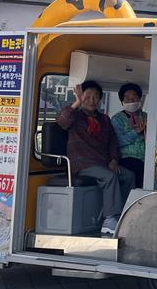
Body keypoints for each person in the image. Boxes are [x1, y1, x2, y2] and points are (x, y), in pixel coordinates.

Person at [56, 80, 134, 236]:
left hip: (102, 162)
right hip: (82, 163)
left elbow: (112, 141)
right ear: (81, 97)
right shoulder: (75, 116)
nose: (92, 100)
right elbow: (62, 121)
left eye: (96, 97)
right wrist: (76, 102)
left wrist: (114, 159)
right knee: (109, 177)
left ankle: (122, 214)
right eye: (88, 96)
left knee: (129, 175)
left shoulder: (104, 119)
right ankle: (109, 219)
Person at [110, 82, 147, 189]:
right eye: (127, 98)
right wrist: (135, 132)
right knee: (140, 169)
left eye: (134, 98)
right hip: (126, 158)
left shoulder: (146, 117)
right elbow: (117, 141)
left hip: (148, 158)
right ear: (122, 101)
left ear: (140, 100)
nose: (131, 101)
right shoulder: (117, 119)